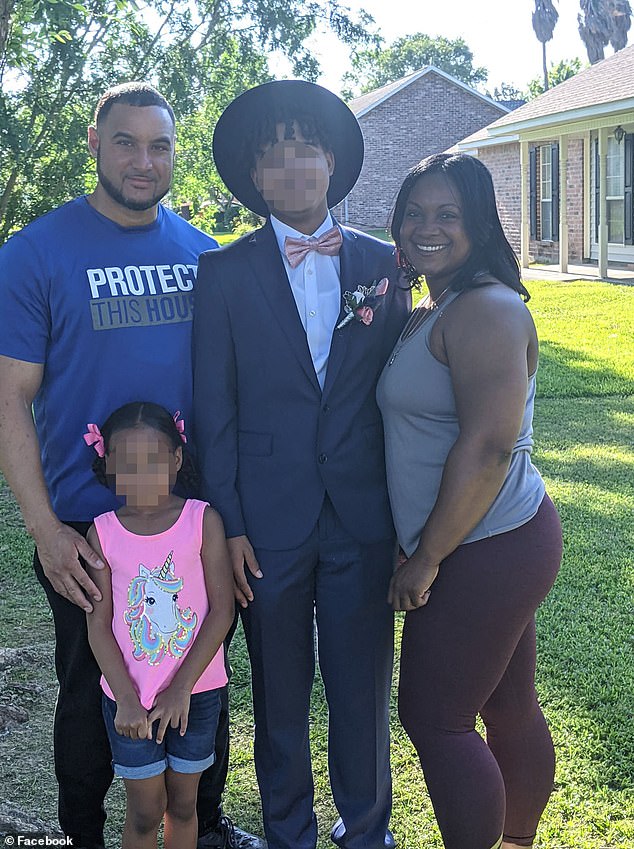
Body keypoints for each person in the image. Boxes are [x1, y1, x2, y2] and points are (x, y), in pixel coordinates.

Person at [0, 82, 261, 849]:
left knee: (203, 673)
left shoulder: (204, 256)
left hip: (193, 517)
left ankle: (202, 824)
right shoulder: (35, 252)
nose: (143, 161)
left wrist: (233, 516)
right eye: (125, 142)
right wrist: (45, 527)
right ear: (92, 143)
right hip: (90, 518)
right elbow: (10, 396)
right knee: (93, 686)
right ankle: (85, 833)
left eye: (160, 144)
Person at [192, 80, 411, 849]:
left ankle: (367, 832)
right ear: (256, 177)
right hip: (267, 527)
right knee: (280, 701)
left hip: (362, 519)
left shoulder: (385, 267)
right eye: (274, 155)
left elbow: (404, 394)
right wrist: (231, 524)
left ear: (331, 162)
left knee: (360, 695)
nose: (291, 167)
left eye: (304, 150)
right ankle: (289, 833)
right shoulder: (221, 273)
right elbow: (213, 412)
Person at [376, 152, 563, 849]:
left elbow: (488, 449)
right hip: (484, 540)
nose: (428, 227)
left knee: (436, 717)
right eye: (415, 213)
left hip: (484, 545)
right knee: (509, 705)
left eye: (447, 214)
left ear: (479, 224)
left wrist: (426, 557)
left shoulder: (484, 307)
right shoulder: (442, 302)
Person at [84, 401, 235, 849]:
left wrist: (180, 688)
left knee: (183, 806)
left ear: (176, 459)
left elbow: (222, 612)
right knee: (146, 810)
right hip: (129, 702)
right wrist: (127, 700)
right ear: (107, 463)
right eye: (126, 464)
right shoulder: (103, 532)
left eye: (153, 462)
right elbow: (99, 627)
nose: (141, 475)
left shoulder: (202, 521)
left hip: (196, 694)